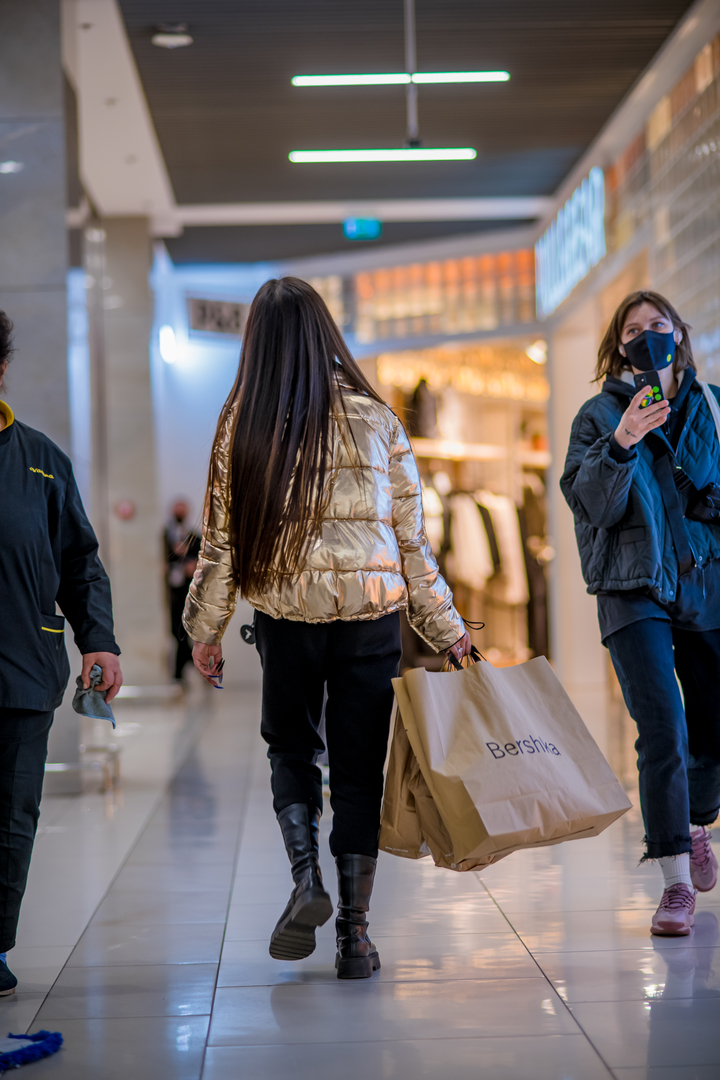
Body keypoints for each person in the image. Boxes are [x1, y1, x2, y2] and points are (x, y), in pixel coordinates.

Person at [184, 277, 471, 978]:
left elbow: (219, 543)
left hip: (285, 622)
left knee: (290, 748)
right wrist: (449, 630)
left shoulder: (241, 423)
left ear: (260, 343)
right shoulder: (378, 419)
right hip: (370, 626)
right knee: (357, 770)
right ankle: (356, 937)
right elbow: (413, 549)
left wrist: (205, 628)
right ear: (325, 336)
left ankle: (306, 877)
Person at [561, 290, 720, 936]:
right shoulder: (597, 416)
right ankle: (675, 882)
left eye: (659, 326)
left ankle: (693, 820)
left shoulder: (706, 405)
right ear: (617, 345)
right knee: (663, 728)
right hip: (631, 588)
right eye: (634, 330)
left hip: (703, 579)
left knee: (712, 730)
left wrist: (675, 426)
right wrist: (626, 437)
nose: (648, 336)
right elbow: (590, 503)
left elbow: (711, 486)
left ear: (679, 335)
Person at [0, 311, 122, 992]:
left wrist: (97, 641)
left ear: (3, 369)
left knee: (13, 816)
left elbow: (80, 561)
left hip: (23, 672)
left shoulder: (42, 459)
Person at [163, 500, 200, 682]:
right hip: (173, 590)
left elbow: (203, 560)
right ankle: (188, 662)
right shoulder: (166, 536)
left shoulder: (195, 537)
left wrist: (191, 564)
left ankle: (179, 674)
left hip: (191, 590)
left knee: (188, 630)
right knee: (176, 630)